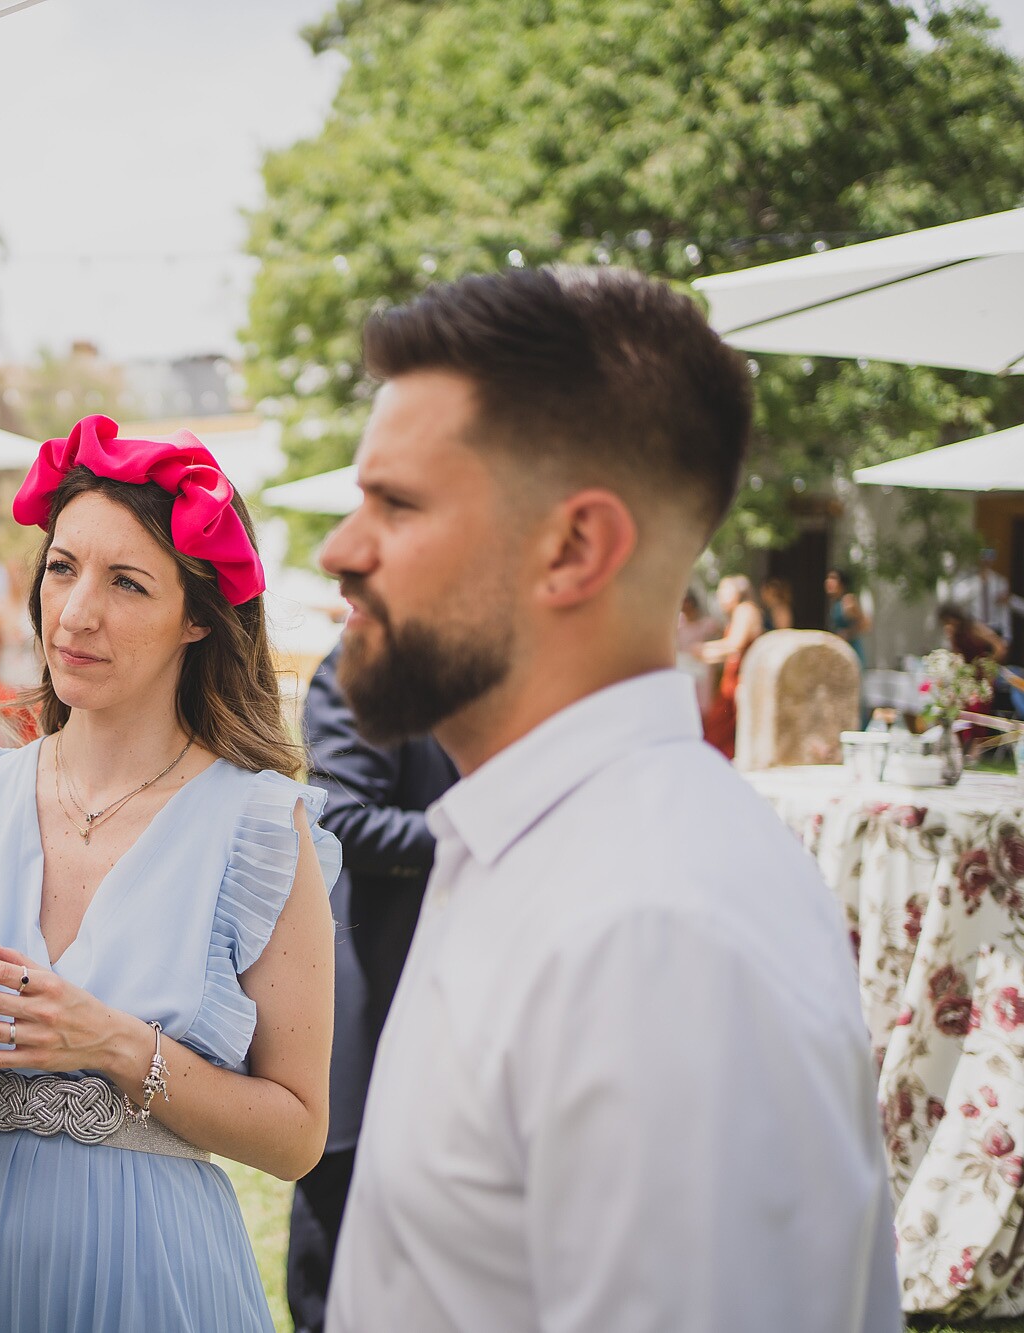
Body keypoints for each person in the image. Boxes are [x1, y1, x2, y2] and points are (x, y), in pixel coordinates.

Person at [318, 267, 895, 1332]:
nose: (339, 551)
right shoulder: (532, 848)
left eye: (395, 503)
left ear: (574, 548)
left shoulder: (657, 933)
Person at [0, 415, 340, 1332]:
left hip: (155, 1276)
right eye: (62, 567)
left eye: (127, 582)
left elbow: (298, 1136)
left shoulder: (257, 829)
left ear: (198, 615)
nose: (76, 612)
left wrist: (116, 1043)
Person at [285, 642, 454, 1333]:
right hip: (371, 985)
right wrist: (484, 832)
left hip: (455, 999)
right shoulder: (363, 664)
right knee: (335, 1243)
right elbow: (345, 820)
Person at [699, 572, 763, 757]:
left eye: (724, 590)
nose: (720, 596)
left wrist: (704, 649)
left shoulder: (745, 610)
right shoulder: (739, 612)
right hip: (731, 679)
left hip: (740, 680)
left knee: (719, 732)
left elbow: (735, 645)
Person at [826, 568, 871, 668]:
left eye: (833, 578)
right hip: (841, 651)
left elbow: (865, 624)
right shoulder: (834, 602)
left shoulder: (847, 601)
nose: (828, 581)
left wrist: (848, 633)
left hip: (851, 651)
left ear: (842, 583)